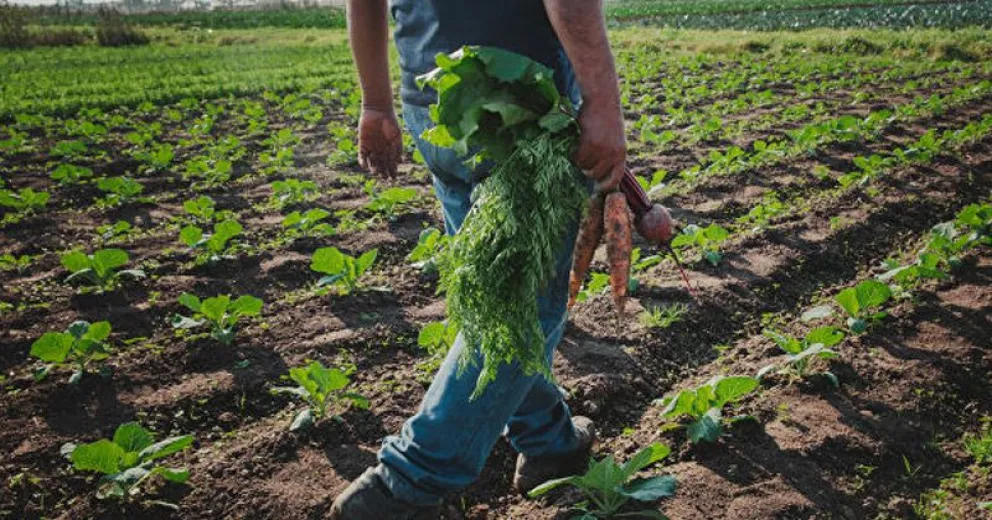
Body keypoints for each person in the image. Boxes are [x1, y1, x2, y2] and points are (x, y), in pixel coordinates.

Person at [332, 1, 626, 518]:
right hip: (516, 105)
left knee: (493, 294)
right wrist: (602, 101)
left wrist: (375, 102)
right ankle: (405, 486)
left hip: (435, 99)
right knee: (517, 309)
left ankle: (549, 442)